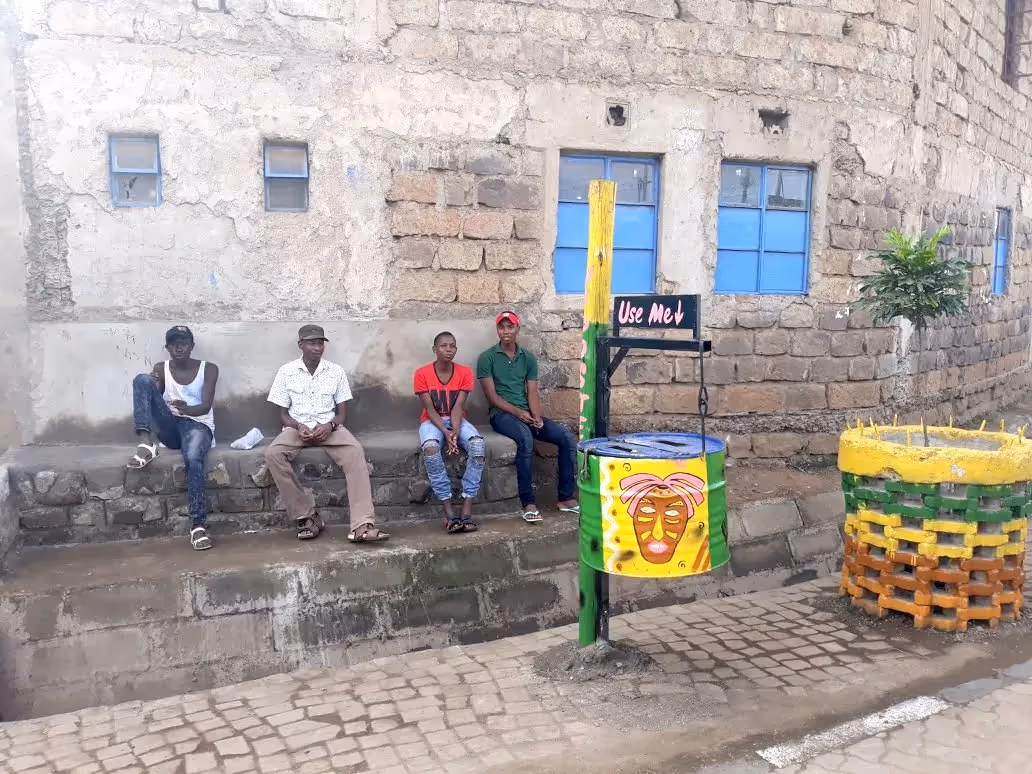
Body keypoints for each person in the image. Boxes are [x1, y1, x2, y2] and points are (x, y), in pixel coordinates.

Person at [264, 324, 389, 543]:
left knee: (355, 452)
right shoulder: (286, 372)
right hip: (297, 428)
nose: (317, 348)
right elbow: (283, 415)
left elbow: (341, 415)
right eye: (312, 343)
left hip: (328, 428)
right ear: (301, 345)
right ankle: (308, 516)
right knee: (273, 454)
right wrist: (298, 426)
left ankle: (362, 525)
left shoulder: (335, 371)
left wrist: (329, 426)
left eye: (320, 343)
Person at [476, 311, 578, 522]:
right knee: (526, 439)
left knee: (566, 438)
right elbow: (492, 397)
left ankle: (566, 498)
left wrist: (537, 417)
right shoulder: (487, 358)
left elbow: (532, 391)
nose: (506, 331)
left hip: (526, 413)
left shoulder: (528, 358)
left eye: (510, 327)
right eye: (502, 327)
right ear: (498, 330)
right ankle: (528, 502)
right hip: (502, 415)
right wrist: (518, 413)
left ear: (517, 329)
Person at [126, 325, 219, 551]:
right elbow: (154, 396)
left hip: (198, 425)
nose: (179, 347)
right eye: (174, 343)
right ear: (167, 347)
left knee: (194, 458)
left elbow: (206, 406)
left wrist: (187, 410)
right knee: (141, 380)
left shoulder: (209, 368)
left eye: (184, 343)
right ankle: (146, 443)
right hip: (170, 426)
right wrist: (152, 385)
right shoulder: (162, 368)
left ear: (192, 346)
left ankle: (197, 525)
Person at [414, 331, 485, 533]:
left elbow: (458, 405)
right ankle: (449, 513)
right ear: (435, 349)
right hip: (431, 421)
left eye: (452, 346)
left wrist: (453, 430)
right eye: (444, 346)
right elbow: (429, 409)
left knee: (478, 445)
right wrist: (445, 432)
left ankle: (467, 510)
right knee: (430, 449)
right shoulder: (422, 373)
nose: (448, 349)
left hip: (457, 419)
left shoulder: (464, 373)